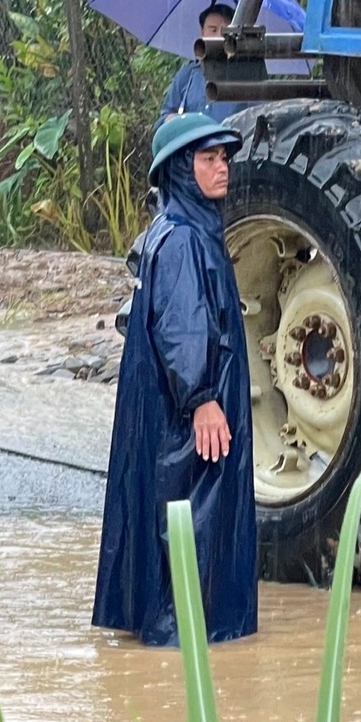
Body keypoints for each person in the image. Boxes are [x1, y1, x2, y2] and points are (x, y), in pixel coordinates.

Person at [93, 113, 256, 646]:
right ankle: (181, 640)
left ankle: (171, 629)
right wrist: (204, 399)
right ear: (181, 171)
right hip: (190, 417)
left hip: (173, 415)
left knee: (173, 513)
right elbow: (184, 327)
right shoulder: (184, 239)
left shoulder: (174, 230)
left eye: (223, 157)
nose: (221, 167)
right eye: (208, 159)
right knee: (193, 518)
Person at [160, 3, 239, 123]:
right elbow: (165, 116)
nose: (219, 36)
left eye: (225, 31)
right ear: (202, 32)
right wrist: (172, 120)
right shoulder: (187, 75)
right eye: (213, 30)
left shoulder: (246, 77)